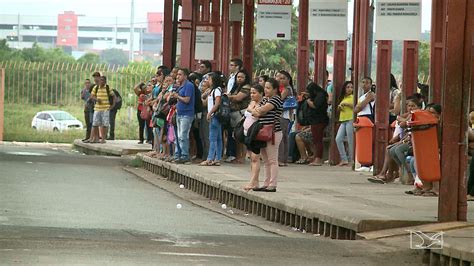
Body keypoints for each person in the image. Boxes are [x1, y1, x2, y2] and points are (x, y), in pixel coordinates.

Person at [251, 78, 283, 192]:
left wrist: (260, 110)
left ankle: (272, 184)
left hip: (273, 132)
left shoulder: (276, 99)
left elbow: (262, 110)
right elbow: (254, 111)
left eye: (269, 88)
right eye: (265, 87)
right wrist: (259, 110)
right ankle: (266, 183)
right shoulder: (265, 99)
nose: (266, 90)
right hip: (263, 132)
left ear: (275, 89)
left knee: (272, 159)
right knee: (265, 160)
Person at [243, 84, 266, 190]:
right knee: (251, 159)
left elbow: (257, 114)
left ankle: (253, 181)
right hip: (247, 133)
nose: (252, 95)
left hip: (256, 133)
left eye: (254, 93)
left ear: (261, 93)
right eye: (251, 93)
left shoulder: (263, 103)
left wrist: (251, 110)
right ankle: (254, 181)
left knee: (255, 158)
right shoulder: (252, 102)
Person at [226, 69, 251, 163]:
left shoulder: (246, 87)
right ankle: (237, 155)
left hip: (241, 113)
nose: (239, 79)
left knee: (241, 136)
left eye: (241, 77)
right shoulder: (236, 87)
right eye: (238, 77)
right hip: (234, 113)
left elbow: (238, 98)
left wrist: (228, 96)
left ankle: (243, 156)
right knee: (235, 136)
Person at [170, 68, 195, 164]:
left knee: (183, 135)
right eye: (177, 75)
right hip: (179, 113)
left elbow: (187, 100)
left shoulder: (189, 86)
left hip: (187, 114)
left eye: (180, 74)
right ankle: (178, 154)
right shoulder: (179, 86)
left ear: (185, 76)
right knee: (178, 136)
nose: (178, 76)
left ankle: (185, 155)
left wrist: (177, 96)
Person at [302, 82, 329, 166]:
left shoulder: (320, 95)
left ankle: (318, 158)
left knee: (318, 140)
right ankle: (316, 156)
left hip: (319, 120)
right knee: (316, 139)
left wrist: (308, 100)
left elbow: (315, 105)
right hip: (316, 120)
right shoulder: (320, 94)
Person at [200, 72, 223, 166]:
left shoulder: (216, 91)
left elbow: (217, 103)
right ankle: (217, 158)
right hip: (214, 115)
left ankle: (210, 158)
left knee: (212, 138)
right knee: (218, 138)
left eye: (209, 79)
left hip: (215, 115)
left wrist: (210, 113)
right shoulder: (212, 90)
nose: (207, 81)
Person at [354, 77, 375, 172]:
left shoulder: (371, 94)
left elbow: (359, 107)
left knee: (370, 141)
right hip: (361, 118)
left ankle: (371, 163)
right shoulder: (362, 96)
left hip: (368, 117)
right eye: (363, 82)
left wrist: (359, 106)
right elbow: (356, 109)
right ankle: (364, 163)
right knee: (363, 142)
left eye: (367, 83)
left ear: (371, 84)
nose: (364, 84)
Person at [87, 76, 115, 144]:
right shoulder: (96, 88)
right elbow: (91, 96)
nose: (101, 82)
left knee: (105, 124)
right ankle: (92, 138)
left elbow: (113, 96)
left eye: (103, 80)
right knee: (95, 123)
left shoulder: (108, 88)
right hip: (97, 108)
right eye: (100, 80)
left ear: (105, 81)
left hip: (105, 108)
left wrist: (112, 105)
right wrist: (96, 99)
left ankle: (103, 139)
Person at [277, 70, 295, 167]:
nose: (281, 80)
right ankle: (284, 159)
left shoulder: (287, 89)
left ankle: (281, 159)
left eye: (283, 78)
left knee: (281, 137)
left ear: (288, 79)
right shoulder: (286, 88)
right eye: (279, 78)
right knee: (284, 137)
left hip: (283, 115)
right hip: (285, 116)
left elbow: (280, 99)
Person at [335, 81, 354, 166]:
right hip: (343, 120)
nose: (350, 89)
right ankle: (344, 159)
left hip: (350, 119)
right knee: (338, 139)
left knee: (350, 140)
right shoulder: (343, 98)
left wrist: (347, 104)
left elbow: (356, 107)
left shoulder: (353, 97)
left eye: (351, 87)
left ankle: (351, 160)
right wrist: (340, 108)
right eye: (348, 87)